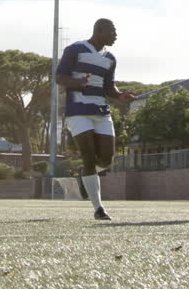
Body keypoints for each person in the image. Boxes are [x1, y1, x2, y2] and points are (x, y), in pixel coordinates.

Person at [55, 18, 134, 221]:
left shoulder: (110, 58)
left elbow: (109, 87)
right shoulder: (75, 49)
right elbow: (59, 77)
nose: (115, 35)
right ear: (99, 30)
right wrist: (77, 82)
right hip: (78, 111)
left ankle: (86, 175)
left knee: (107, 159)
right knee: (89, 155)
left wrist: (120, 96)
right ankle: (99, 208)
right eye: (112, 31)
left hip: (101, 112)